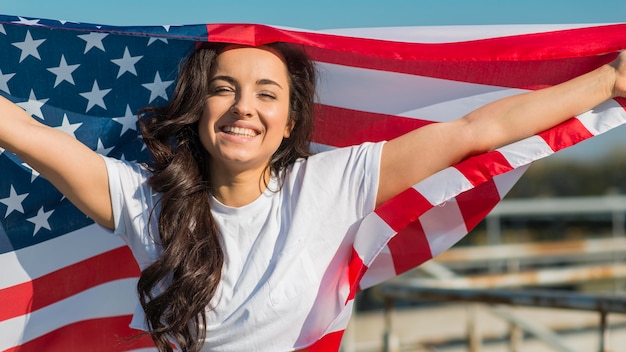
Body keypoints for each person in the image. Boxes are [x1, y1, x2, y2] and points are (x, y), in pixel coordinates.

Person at [0, 40, 624, 352]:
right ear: (196, 109)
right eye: (224, 88)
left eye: (267, 93)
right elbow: (28, 135)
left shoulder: (333, 185)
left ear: (293, 121)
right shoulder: (145, 202)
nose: (244, 107)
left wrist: (609, 78)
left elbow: (474, 132)